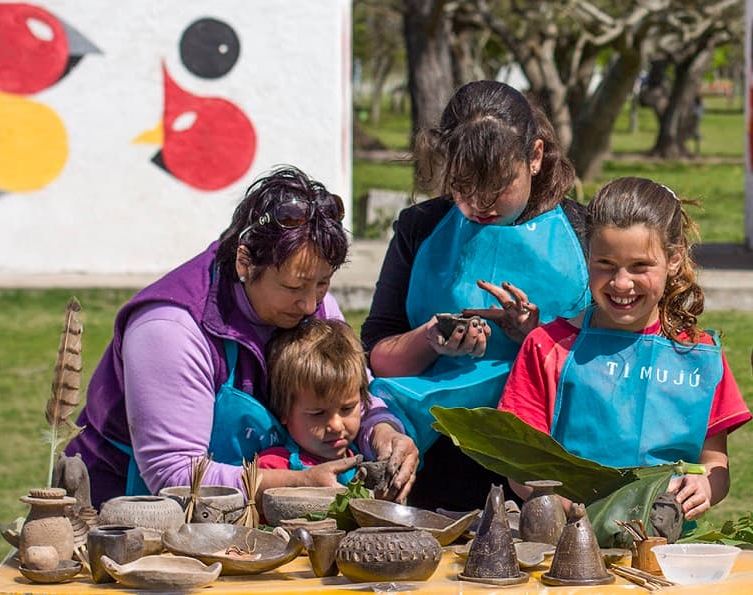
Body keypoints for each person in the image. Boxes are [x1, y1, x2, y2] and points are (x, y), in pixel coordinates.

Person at [66, 165, 419, 508]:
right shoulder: (169, 329)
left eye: (323, 283)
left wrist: (383, 431)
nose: (312, 303)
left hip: (239, 511)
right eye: (294, 286)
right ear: (244, 263)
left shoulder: (314, 303)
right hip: (123, 510)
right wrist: (298, 484)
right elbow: (172, 475)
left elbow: (355, 389)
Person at [361, 80, 591, 511]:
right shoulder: (420, 227)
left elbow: (612, 360)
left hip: (549, 458)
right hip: (435, 458)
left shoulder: (584, 233)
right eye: (464, 186)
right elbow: (377, 352)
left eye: (498, 185)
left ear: (536, 157)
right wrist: (428, 339)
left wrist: (533, 337)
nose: (480, 203)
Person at [498, 177, 751, 520]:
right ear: (588, 256)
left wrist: (705, 486)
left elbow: (714, 462)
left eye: (639, 267)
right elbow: (518, 460)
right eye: (605, 264)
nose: (621, 283)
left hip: (666, 553)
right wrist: (569, 507)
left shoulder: (700, 357)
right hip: (565, 544)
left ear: (673, 260)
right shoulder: (546, 347)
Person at [258, 318, 370, 485]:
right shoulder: (272, 468)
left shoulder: (366, 459)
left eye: (347, 408)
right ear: (284, 411)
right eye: (318, 413)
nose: (337, 426)